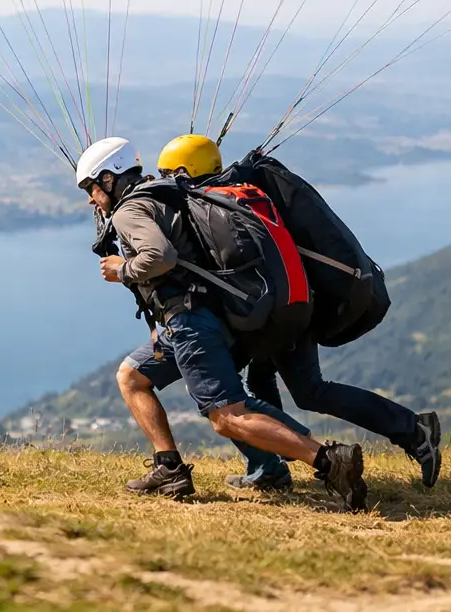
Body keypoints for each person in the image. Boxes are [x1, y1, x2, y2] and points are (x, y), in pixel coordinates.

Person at [77, 136, 368, 511]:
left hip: (191, 322)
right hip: (205, 314)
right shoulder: (164, 192)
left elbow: (159, 257)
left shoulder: (129, 210)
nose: (90, 199)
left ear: (109, 177)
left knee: (227, 416)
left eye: (90, 188)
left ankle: (329, 461)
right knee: (133, 376)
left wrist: (124, 270)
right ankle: (170, 467)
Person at [154, 133, 443, 491]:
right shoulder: (239, 192)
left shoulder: (210, 207)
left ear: (184, 169)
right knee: (259, 380)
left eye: (167, 172)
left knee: (304, 391)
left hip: (277, 312)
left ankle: (411, 430)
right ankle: (271, 468)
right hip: (294, 301)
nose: (164, 180)